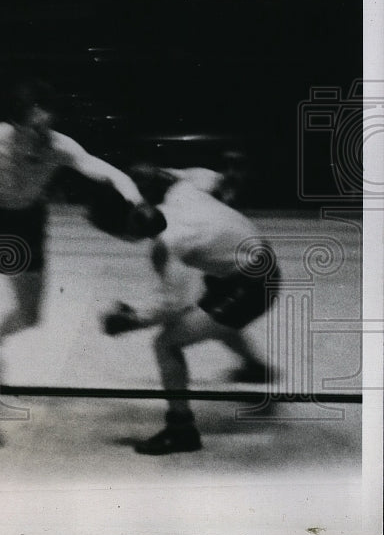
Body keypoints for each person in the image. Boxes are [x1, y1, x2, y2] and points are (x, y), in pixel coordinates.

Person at [0, 80, 165, 446]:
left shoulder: (59, 146)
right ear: (16, 124)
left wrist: (137, 202)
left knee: (31, 316)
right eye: (35, 129)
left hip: (26, 223)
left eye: (47, 127)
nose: (42, 136)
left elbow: (107, 172)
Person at [100, 164, 279, 455]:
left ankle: (181, 430)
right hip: (252, 266)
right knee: (209, 317)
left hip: (251, 286)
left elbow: (171, 306)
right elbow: (211, 175)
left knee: (166, 343)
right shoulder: (184, 188)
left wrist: (129, 321)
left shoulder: (167, 242)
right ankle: (255, 368)